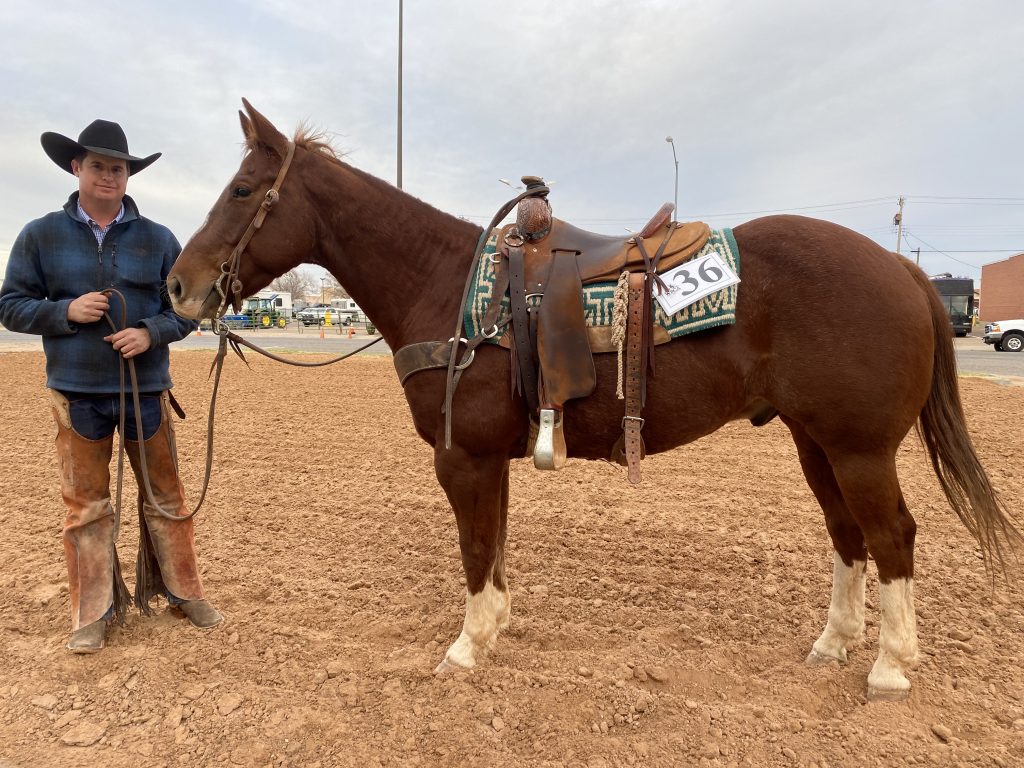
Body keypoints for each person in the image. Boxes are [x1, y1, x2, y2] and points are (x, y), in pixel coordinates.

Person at [0, 119, 222, 653]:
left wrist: (151, 333)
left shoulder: (159, 238)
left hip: (146, 391)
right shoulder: (39, 235)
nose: (108, 175)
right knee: (86, 505)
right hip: (77, 395)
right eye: (97, 165)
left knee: (167, 495)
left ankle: (183, 590)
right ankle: (91, 611)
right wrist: (64, 311)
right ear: (76, 168)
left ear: (128, 175)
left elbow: (190, 308)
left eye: (117, 167)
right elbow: (10, 306)